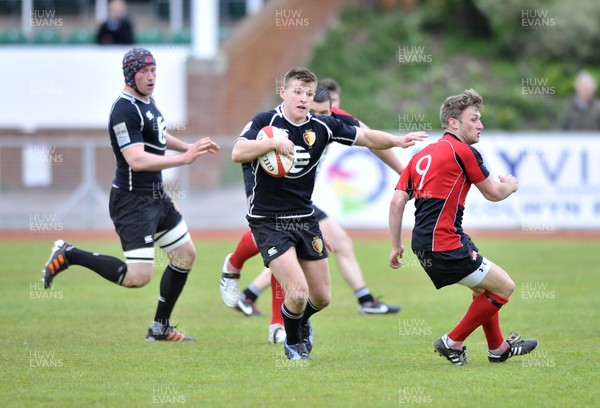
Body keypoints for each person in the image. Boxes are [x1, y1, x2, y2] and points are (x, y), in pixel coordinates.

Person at [230, 67, 427, 360]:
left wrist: (397, 141)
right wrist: (271, 143)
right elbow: (237, 152)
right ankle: (294, 344)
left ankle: (298, 321)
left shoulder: (324, 126)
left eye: (308, 94)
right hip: (268, 220)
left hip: (306, 218)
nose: (303, 98)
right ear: (283, 92)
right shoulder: (265, 122)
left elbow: (368, 137)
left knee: (321, 298)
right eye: (297, 92)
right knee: (297, 293)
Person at [42, 47, 220, 342]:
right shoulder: (123, 109)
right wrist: (183, 160)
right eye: (144, 72)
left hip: (156, 197)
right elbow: (136, 160)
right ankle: (69, 253)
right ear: (130, 75)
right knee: (138, 278)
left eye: (153, 71)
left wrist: (187, 147)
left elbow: (158, 134)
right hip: (132, 201)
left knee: (185, 254)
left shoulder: (147, 101)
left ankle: (160, 328)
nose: (151, 77)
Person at [388, 89, 538, 365]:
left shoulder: (422, 156)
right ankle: (452, 342)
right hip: (444, 242)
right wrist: (512, 186)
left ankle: (498, 348)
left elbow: (397, 201)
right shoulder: (463, 151)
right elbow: (494, 193)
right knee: (505, 287)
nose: (480, 125)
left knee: (484, 289)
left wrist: (395, 245)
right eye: (474, 119)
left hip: (425, 243)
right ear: (454, 123)